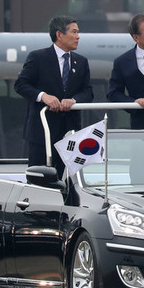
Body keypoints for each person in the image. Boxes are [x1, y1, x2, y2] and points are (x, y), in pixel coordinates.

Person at [14, 15, 93, 172]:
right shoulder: (38, 58)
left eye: (78, 32)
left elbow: (88, 91)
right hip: (42, 133)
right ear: (59, 35)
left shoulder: (81, 61)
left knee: (69, 182)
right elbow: (21, 84)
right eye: (74, 32)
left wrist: (74, 100)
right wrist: (44, 96)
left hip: (70, 135)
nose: (78, 37)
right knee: (40, 180)